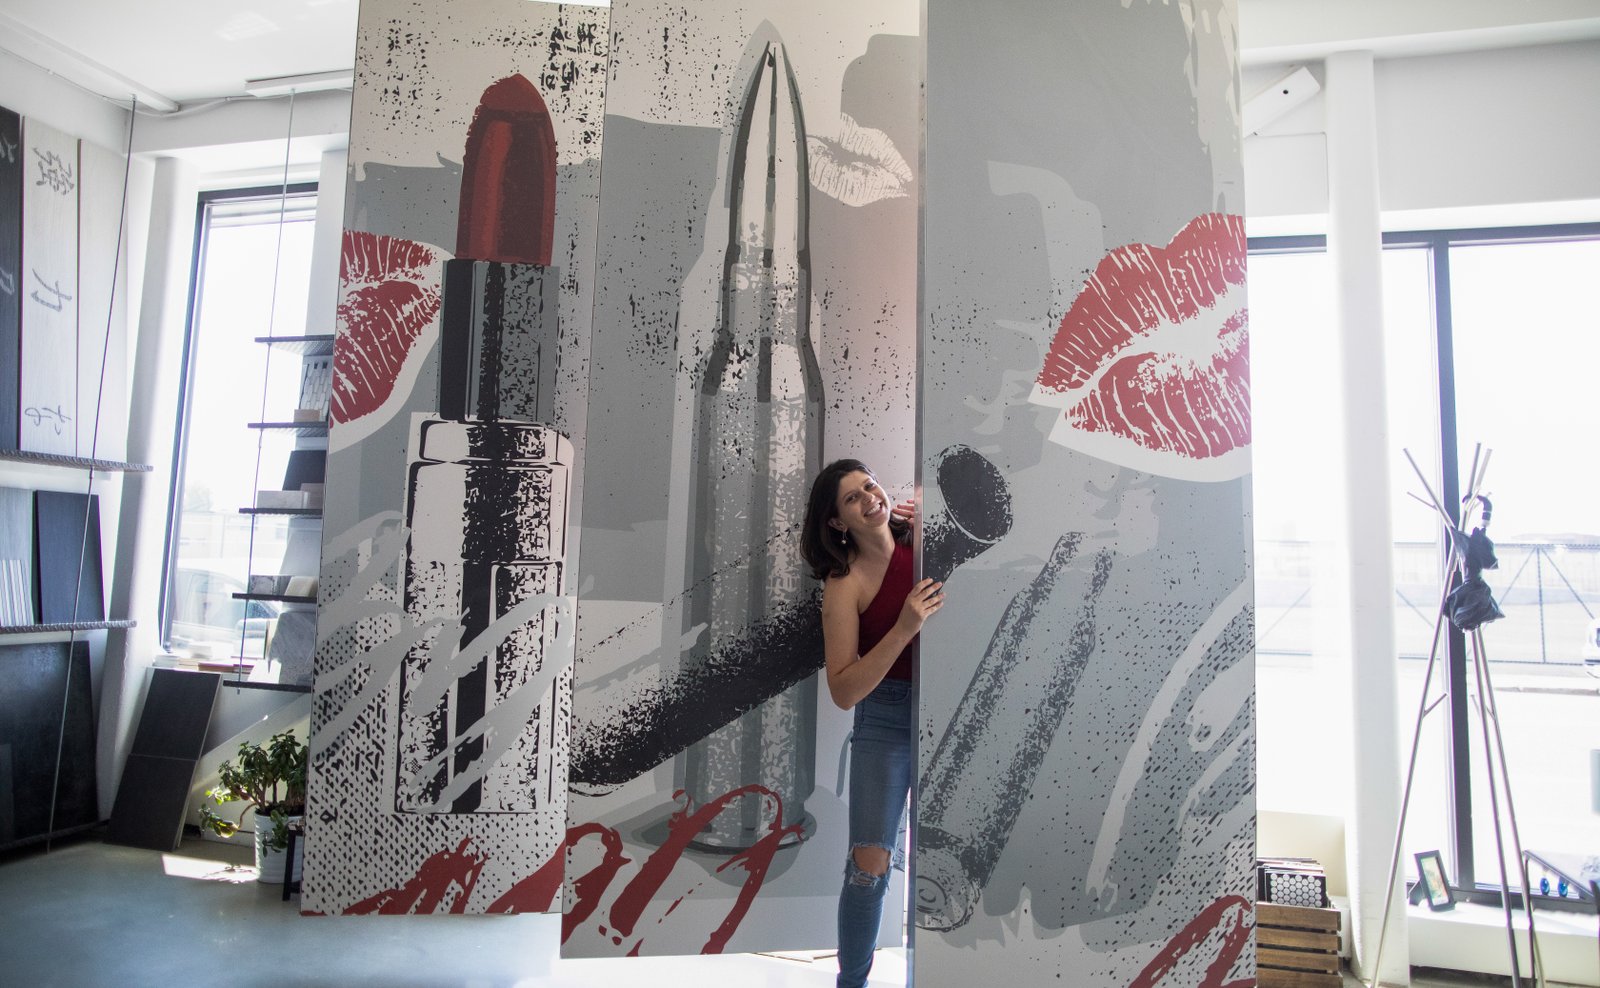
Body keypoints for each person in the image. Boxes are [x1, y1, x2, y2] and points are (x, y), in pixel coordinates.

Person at [800, 458, 943, 988]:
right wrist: (905, 626)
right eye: (852, 498)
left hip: (947, 704)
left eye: (870, 486)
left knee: (948, 857)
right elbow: (843, 691)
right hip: (885, 715)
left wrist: (941, 527)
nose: (870, 499)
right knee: (869, 866)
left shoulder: (925, 542)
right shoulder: (844, 585)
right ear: (837, 522)